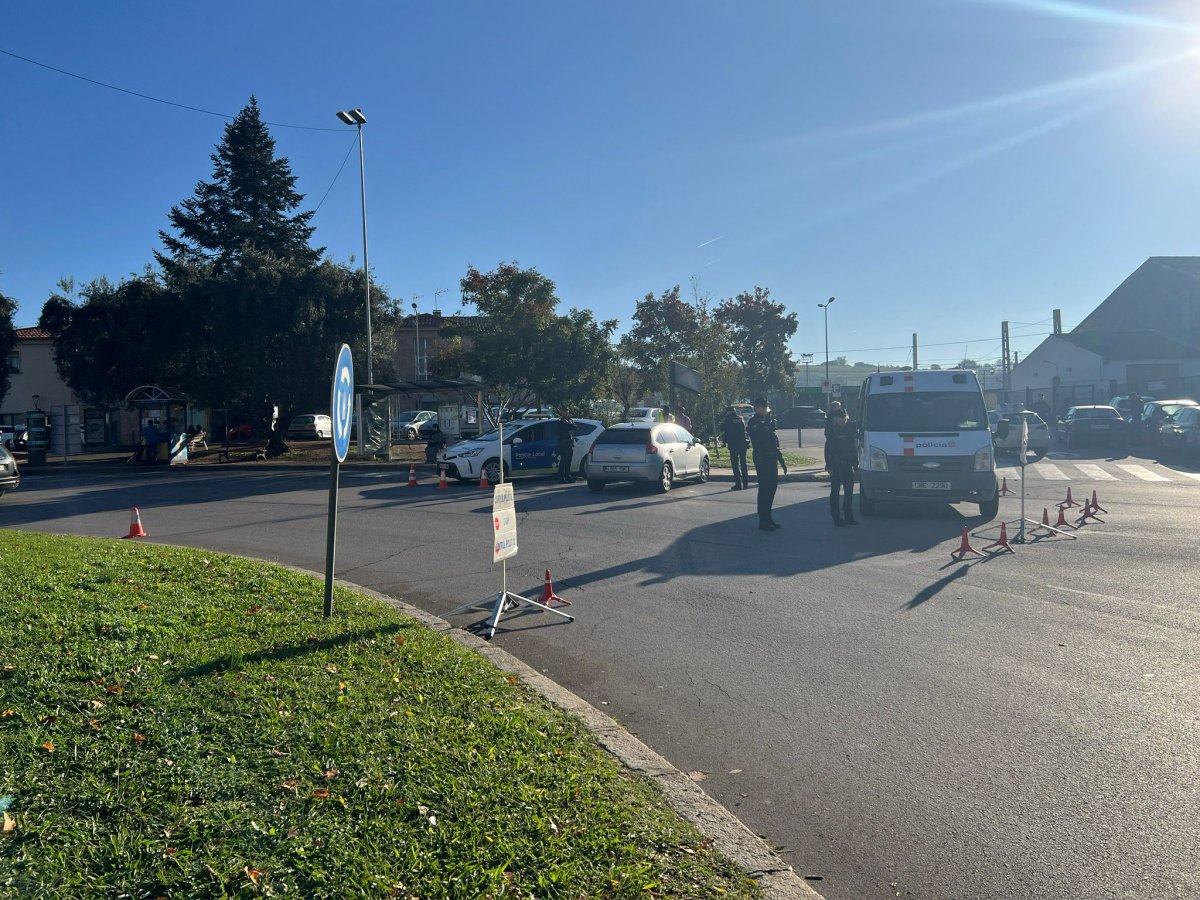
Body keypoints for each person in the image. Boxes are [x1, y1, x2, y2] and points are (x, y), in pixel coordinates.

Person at [747, 397, 781, 531]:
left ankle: (768, 516)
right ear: (757, 408)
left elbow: (773, 437)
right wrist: (766, 424)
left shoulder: (768, 420)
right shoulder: (754, 421)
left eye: (766, 407)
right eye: (763, 407)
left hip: (771, 457)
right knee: (765, 488)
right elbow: (759, 437)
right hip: (762, 457)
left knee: (772, 487)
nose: (766, 409)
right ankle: (763, 519)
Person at [824, 407, 859, 526]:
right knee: (835, 493)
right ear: (836, 419)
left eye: (845, 418)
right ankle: (836, 518)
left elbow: (852, 450)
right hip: (836, 466)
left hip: (848, 465)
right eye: (841, 418)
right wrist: (829, 466)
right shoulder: (832, 432)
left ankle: (849, 517)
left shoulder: (848, 431)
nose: (844, 420)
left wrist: (856, 465)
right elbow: (828, 451)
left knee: (849, 493)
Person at [720, 405, 749, 491]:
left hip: (734, 444)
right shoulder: (740, 418)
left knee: (735, 465)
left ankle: (738, 484)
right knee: (743, 463)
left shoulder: (728, 420)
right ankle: (745, 482)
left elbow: (722, 429)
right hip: (743, 443)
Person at [556, 415, 578, 483]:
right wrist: (565, 428)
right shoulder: (560, 422)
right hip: (563, 442)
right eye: (564, 411)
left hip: (570, 443)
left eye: (567, 411)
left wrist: (569, 423)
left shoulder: (570, 420)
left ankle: (568, 477)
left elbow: (576, 427)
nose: (566, 413)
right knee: (563, 461)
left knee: (568, 461)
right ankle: (561, 478)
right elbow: (557, 431)